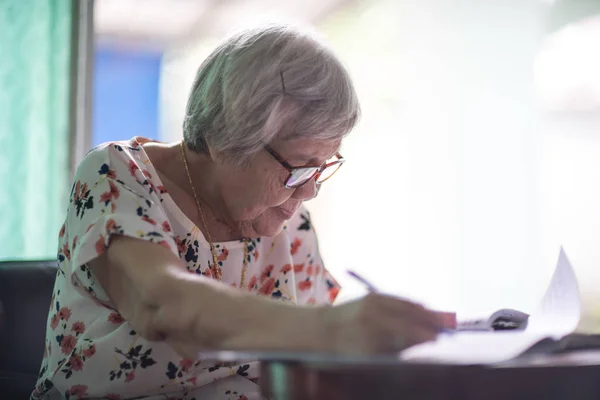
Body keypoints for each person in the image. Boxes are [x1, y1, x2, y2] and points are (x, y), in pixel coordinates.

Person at [32, 24, 448, 400]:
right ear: (225, 139)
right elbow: (160, 304)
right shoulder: (119, 174)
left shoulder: (289, 211)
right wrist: (332, 328)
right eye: (300, 165)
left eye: (324, 166)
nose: (310, 190)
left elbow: (321, 361)